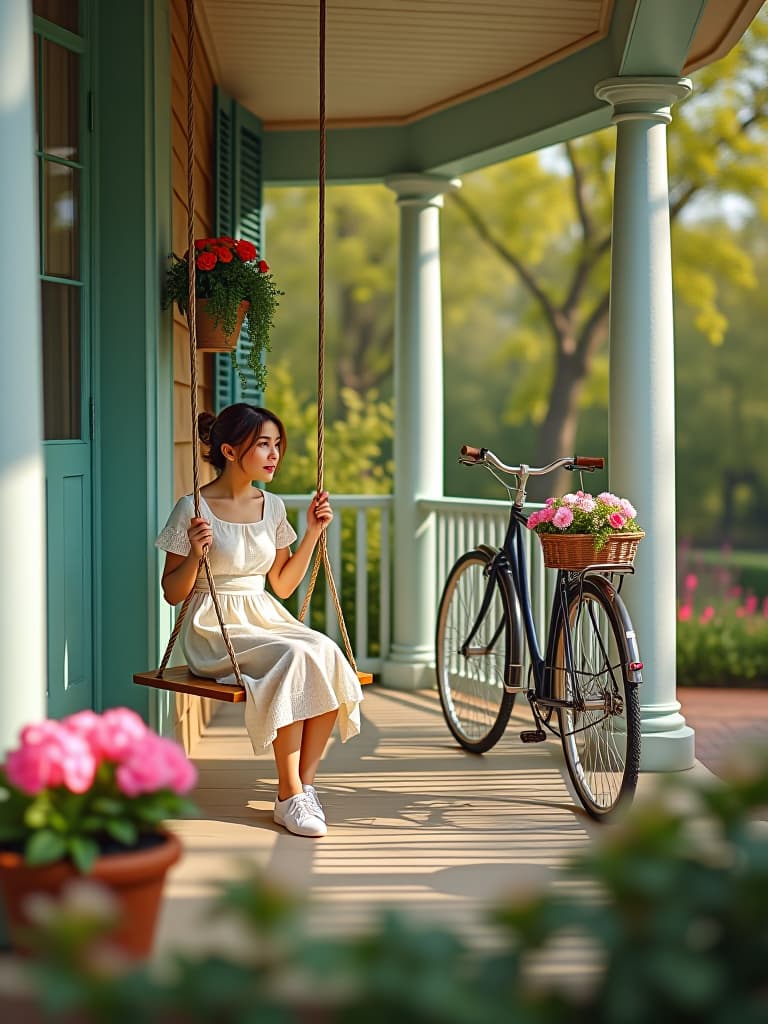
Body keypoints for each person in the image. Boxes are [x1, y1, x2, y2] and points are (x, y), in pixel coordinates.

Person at [156, 403, 364, 838]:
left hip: (263, 614)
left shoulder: (272, 507)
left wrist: (312, 532)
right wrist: (196, 553)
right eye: (263, 444)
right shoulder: (192, 508)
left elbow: (284, 585)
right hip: (215, 626)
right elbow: (173, 592)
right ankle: (289, 794)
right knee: (291, 656)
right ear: (230, 451)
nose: (274, 455)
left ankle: (300, 788)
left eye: (277, 445)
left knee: (324, 651)